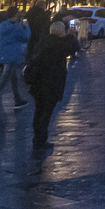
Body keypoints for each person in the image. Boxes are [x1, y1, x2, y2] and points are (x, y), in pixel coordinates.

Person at [28, 19, 77, 150]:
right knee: (46, 113)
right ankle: (40, 140)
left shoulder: (43, 41)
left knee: (38, 111)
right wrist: (71, 36)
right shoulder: (58, 44)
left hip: (38, 83)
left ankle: (37, 138)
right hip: (51, 83)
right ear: (61, 32)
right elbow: (74, 47)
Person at [0, 8, 31, 113]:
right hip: (13, 54)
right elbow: (26, 36)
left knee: (13, 78)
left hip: (5, 54)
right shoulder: (16, 27)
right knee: (4, 80)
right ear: (16, 15)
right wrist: (26, 26)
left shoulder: (3, 25)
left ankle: (18, 100)